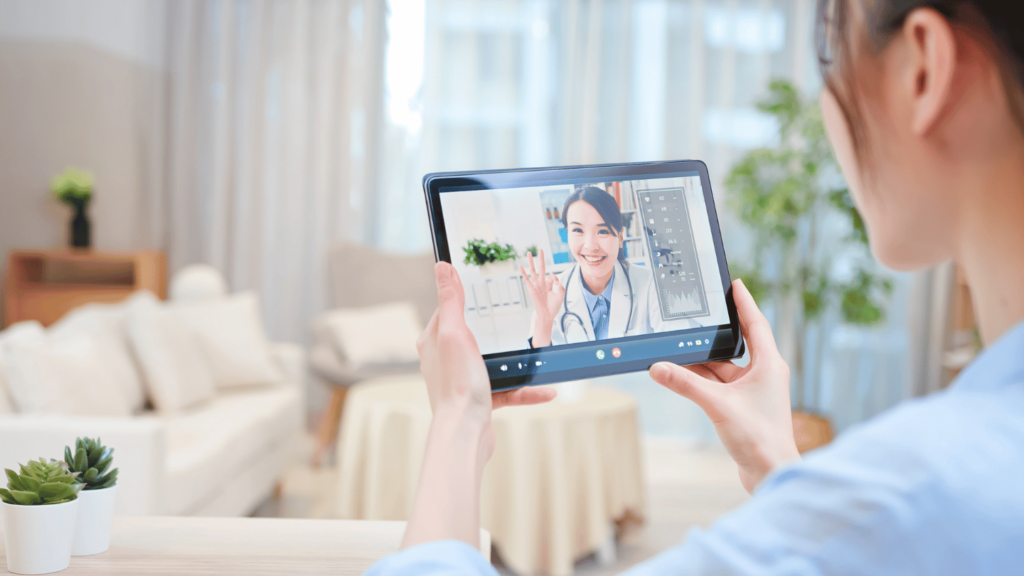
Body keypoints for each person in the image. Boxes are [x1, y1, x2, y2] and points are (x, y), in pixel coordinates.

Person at [369, 0, 1024, 573]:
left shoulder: (915, 494)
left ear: (923, 69)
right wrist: (778, 463)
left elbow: (870, 539)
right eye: (576, 231)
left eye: (830, 50)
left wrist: (459, 420)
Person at [521, 186, 694, 347]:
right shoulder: (551, 292)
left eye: (602, 231)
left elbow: (682, 344)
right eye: (578, 230)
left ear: (620, 238)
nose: (590, 246)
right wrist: (544, 320)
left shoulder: (652, 285)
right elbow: (535, 366)